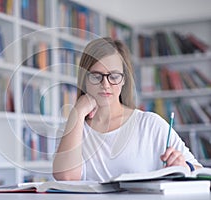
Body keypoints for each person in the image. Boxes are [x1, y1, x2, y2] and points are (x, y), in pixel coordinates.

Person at [52, 37, 202, 182]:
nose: (105, 84)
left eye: (114, 76)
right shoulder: (73, 128)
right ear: (85, 79)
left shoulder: (150, 125)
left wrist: (185, 167)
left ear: (124, 79)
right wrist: (77, 112)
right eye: (96, 76)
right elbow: (66, 177)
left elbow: (200, 172)